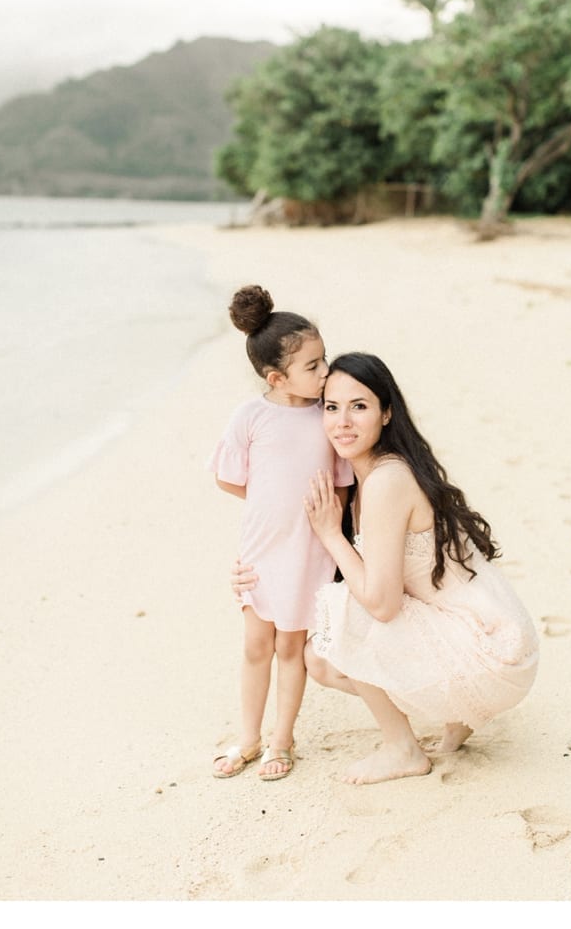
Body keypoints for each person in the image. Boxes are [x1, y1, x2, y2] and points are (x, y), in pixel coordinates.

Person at [235, 352, 539, 785]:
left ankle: (403, 748)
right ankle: (459, 716)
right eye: (332, 407)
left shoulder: (386, 482)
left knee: (333, 634)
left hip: (493, 655)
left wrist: (332, 535)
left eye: (359, 406)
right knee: (324, 653)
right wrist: (248, 575)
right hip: (498, 640)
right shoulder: (367, 479)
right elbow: (299, 556)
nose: (342, 422)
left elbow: (381, 604)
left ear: (386, 413)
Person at [209, 286, 353, 780]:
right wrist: (273, 505)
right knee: (255, 646)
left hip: (309, 551)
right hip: (261, 549)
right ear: (276, 376)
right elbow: (228, 476)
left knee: (290, 648)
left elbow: (343, 486)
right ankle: (248, 737)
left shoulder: (326, 418)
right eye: (312, 366)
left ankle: (281, 740)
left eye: (323, 360)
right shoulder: (251, 416)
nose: (325, 373)